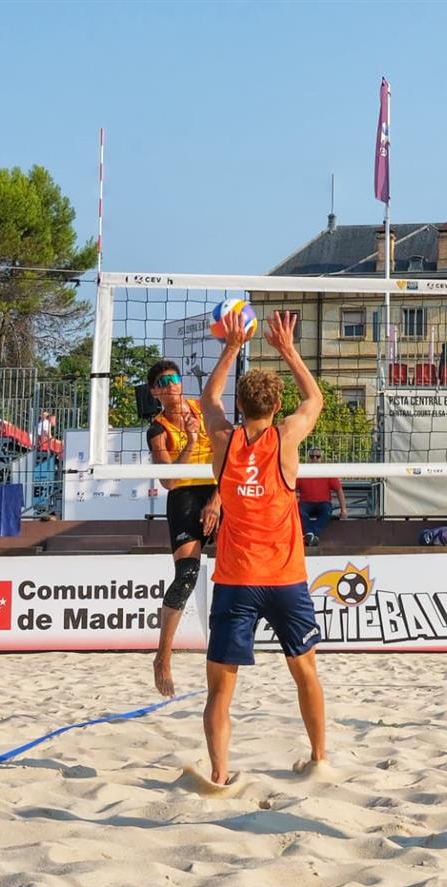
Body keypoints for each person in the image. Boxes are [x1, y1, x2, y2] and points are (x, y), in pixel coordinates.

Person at [194, 307, 327, 783]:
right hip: (286, 580)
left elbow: (208, 399)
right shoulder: (286, 439)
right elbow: (314, 399)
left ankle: (220, 774)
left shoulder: (223, 441)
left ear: (241, 404)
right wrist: (288, 350)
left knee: (220, 691)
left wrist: (232, 347)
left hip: (236, 581)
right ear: (276, 406)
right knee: (306, 673)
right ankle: (318, 759)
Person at [147, 360, 221, 700]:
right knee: (186, 576)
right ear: (154, 392)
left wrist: (217, 500)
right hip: (184, 495)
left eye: (173, 379)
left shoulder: (204, 409)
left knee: (243, 559)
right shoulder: (158, 429)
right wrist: (190, 441)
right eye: (162, 382)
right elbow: (169, 480)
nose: (170, 385)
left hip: (218, 490)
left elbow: (229, 458)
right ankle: (163, 656)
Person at [296, 447, 348, 546]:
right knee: (299, 511)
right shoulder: (302, 472)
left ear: (322, 458)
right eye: (312, 456)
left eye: (318, 456)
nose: (315, 459)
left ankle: (309, 534)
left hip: (323, 503)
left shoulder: (327, 472)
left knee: (327, 511)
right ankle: (312, 535)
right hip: (306, 503)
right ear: (308, 458)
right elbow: (292, 489)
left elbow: (339, 490)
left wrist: (344, 510)